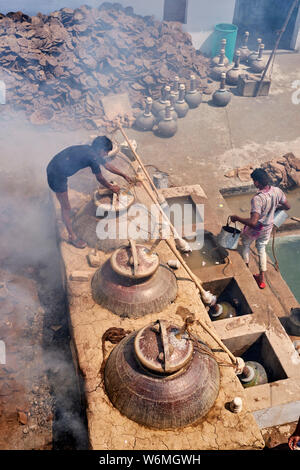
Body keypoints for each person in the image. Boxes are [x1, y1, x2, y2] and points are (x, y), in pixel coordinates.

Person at [47, 136, 133, 248]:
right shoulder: (92, 157)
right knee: (66, 207)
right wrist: (111, 188)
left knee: (66, 206)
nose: (107, 155)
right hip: (56, 175)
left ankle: (68, 215)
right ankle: (72, 236)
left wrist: (124, 175)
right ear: (101, 150)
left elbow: (108, 166)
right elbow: (100, 178)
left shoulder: (92, 150)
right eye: (106, 152)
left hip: (55, 166)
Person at [230, 168, 290, 289]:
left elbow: (253, 222)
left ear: (257, 182)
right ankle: (261, 279)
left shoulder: (258, 199)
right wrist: (274, 209)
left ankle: (246, 268)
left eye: (253, 180)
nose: (253, 183)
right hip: (267, 228)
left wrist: (237, 218)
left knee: (246, 243)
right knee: (261, 249)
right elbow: (287, 206)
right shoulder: (277, 191)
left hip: (256, 229)